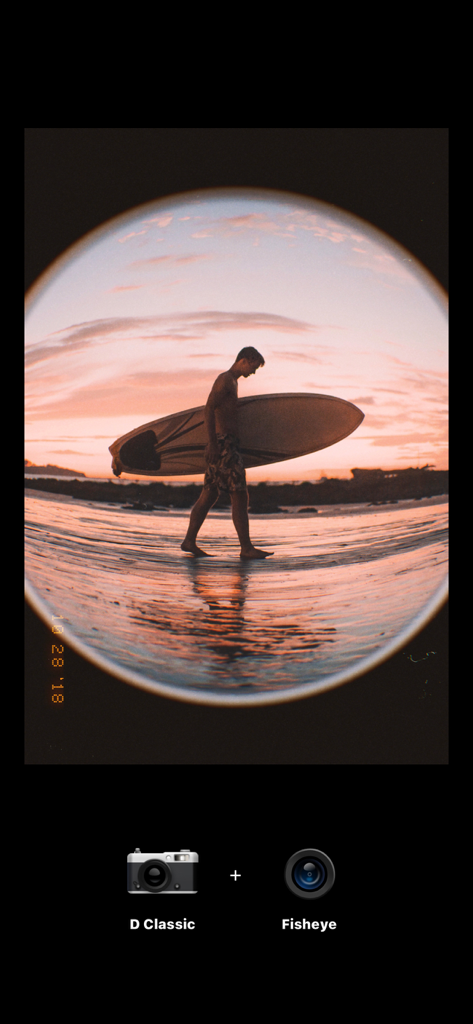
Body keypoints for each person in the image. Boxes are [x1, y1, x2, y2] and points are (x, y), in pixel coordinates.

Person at [181, 347, 274, 559]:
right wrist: (213, 444)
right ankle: (246, 548)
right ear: (245, 359)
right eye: (254, 366)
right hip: (224, 446)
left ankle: (189, 540)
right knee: (240, 494)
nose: (254, 372)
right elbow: (208, 408)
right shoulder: (225, 380)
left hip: (226, 444)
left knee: (210, 493)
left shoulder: (233, 382)